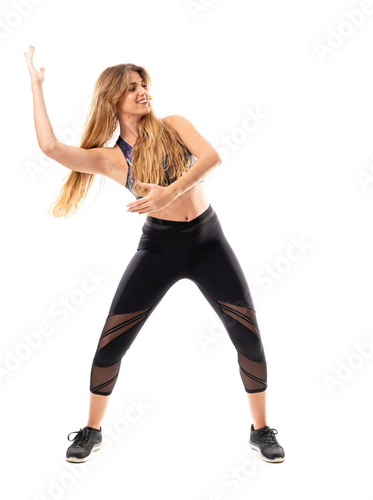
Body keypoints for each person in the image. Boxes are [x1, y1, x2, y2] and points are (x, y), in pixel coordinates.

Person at [24, 45, 285, 464]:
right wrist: (36, 88)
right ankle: (91, 430)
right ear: (114, 100)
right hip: (159, 247)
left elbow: (212, 157)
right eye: (131, 88)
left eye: (143, 83)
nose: (142, 91)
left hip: (207, 241)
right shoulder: (111, 158)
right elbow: (52, 149)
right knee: (111, 345)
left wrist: (173, 190)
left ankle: (261, 430)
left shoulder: (174, 125)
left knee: (248, 337)